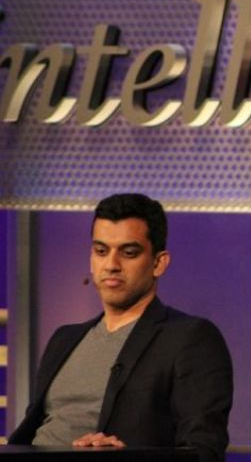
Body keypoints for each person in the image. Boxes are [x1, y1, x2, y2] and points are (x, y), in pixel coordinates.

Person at [8, 193, 233, 462]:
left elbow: (204, 450)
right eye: (101, 251)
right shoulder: (64, 338)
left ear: (158, 263)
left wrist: (127, 455)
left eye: (128, 253)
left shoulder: (190, 338)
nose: (111, 265)